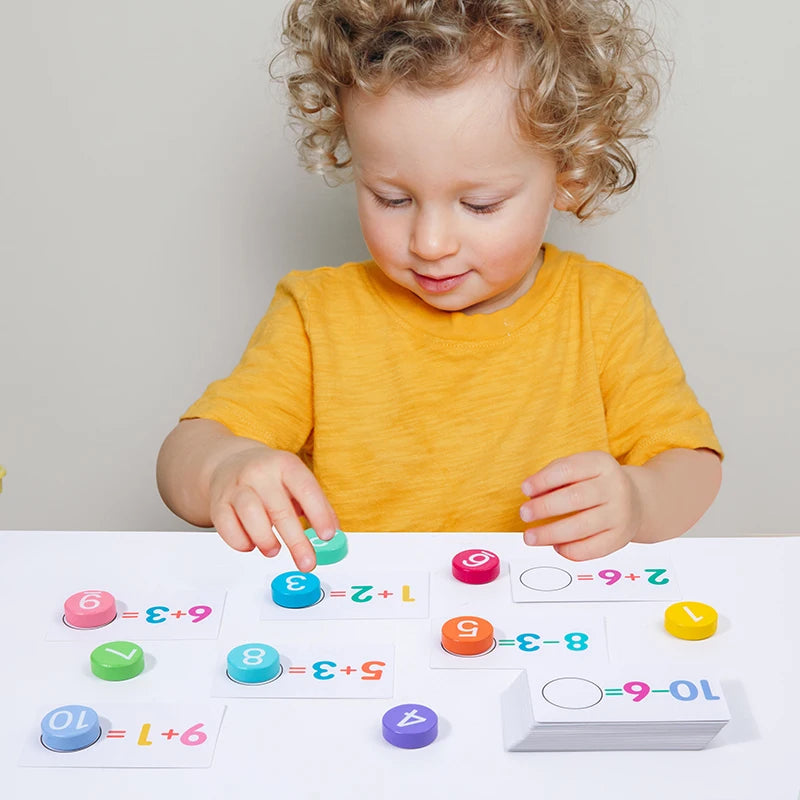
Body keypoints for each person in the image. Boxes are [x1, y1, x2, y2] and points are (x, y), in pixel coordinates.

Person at [157, 0, 722, 573]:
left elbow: (690, 463)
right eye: (392, 198)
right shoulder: (316, 315)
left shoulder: (606, 310)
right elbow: (185, 454)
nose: (430, 242)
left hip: (543, 624)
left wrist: (639, 501)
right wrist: (224, 467)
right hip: (358, 632)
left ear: (568, 175)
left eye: (480, 205)